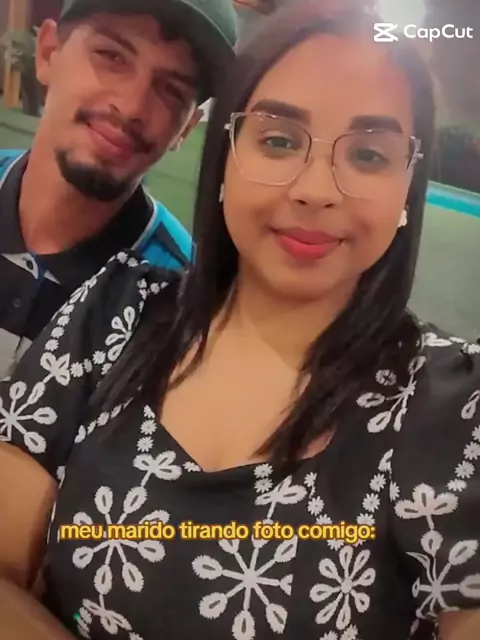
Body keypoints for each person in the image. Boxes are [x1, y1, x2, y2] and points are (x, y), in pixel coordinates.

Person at [0, 2, 479, 639]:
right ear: (225, 155)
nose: (316, 189)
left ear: (407, 186)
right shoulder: (113, 313)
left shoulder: (453, 412)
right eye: (279, 141)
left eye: (369, 155)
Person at [0, 0, 237, 380]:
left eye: (172, 90)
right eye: (111, 56)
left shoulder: (181, 302)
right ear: (48, 53)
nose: (131, 107)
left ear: (186, 128)